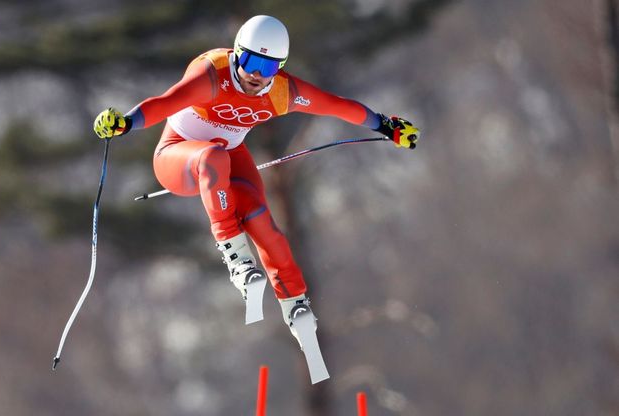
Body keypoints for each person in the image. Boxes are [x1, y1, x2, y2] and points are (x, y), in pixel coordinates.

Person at [93, 15, 419, 344]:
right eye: (250, 61)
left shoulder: (282, 92)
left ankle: (295, 301)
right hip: (179, 157)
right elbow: (163, 103)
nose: (256, 75)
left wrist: (385, 125)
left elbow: (336, 106)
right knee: (212, 157)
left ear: (280, 67)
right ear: (237, 54)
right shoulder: (212, 74)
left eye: (268, 67)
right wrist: (124, 123)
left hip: (229, 156)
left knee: (261, 217)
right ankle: (235, 254)